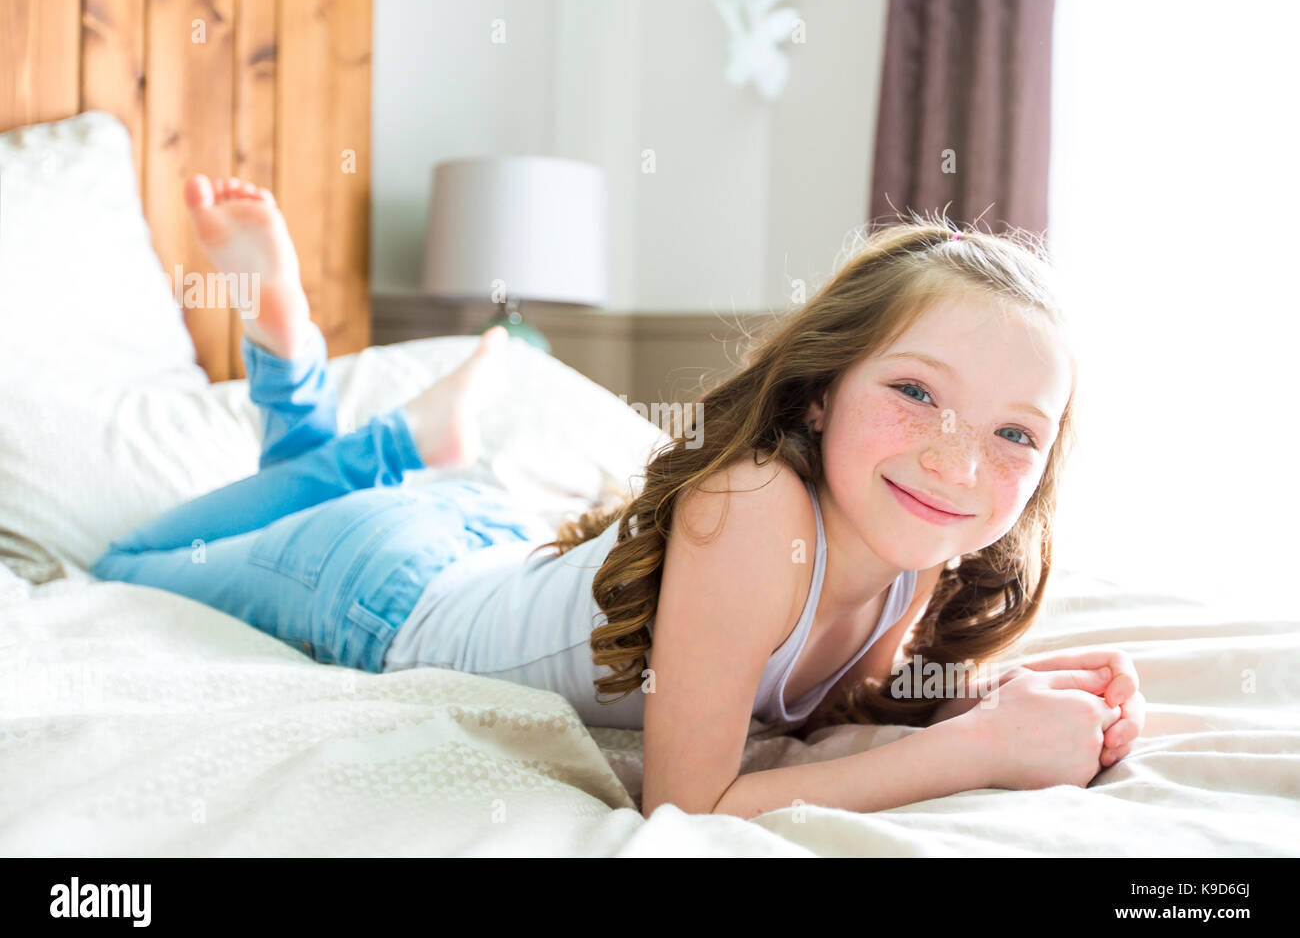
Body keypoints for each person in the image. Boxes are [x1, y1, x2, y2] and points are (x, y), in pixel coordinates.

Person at [91, 177, 1145, 819]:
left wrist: (997, 697)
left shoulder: (917, 551)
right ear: (819, 395)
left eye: (1014, 433)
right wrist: (972, 750)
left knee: (278, 508)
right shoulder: (754, 503)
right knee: (120, 565)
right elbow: (688, 804)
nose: (958, 462)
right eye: (915, 392)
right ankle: (359, 411)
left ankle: (398, 433)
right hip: (383, 584)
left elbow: (841, 711)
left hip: (493, 541)